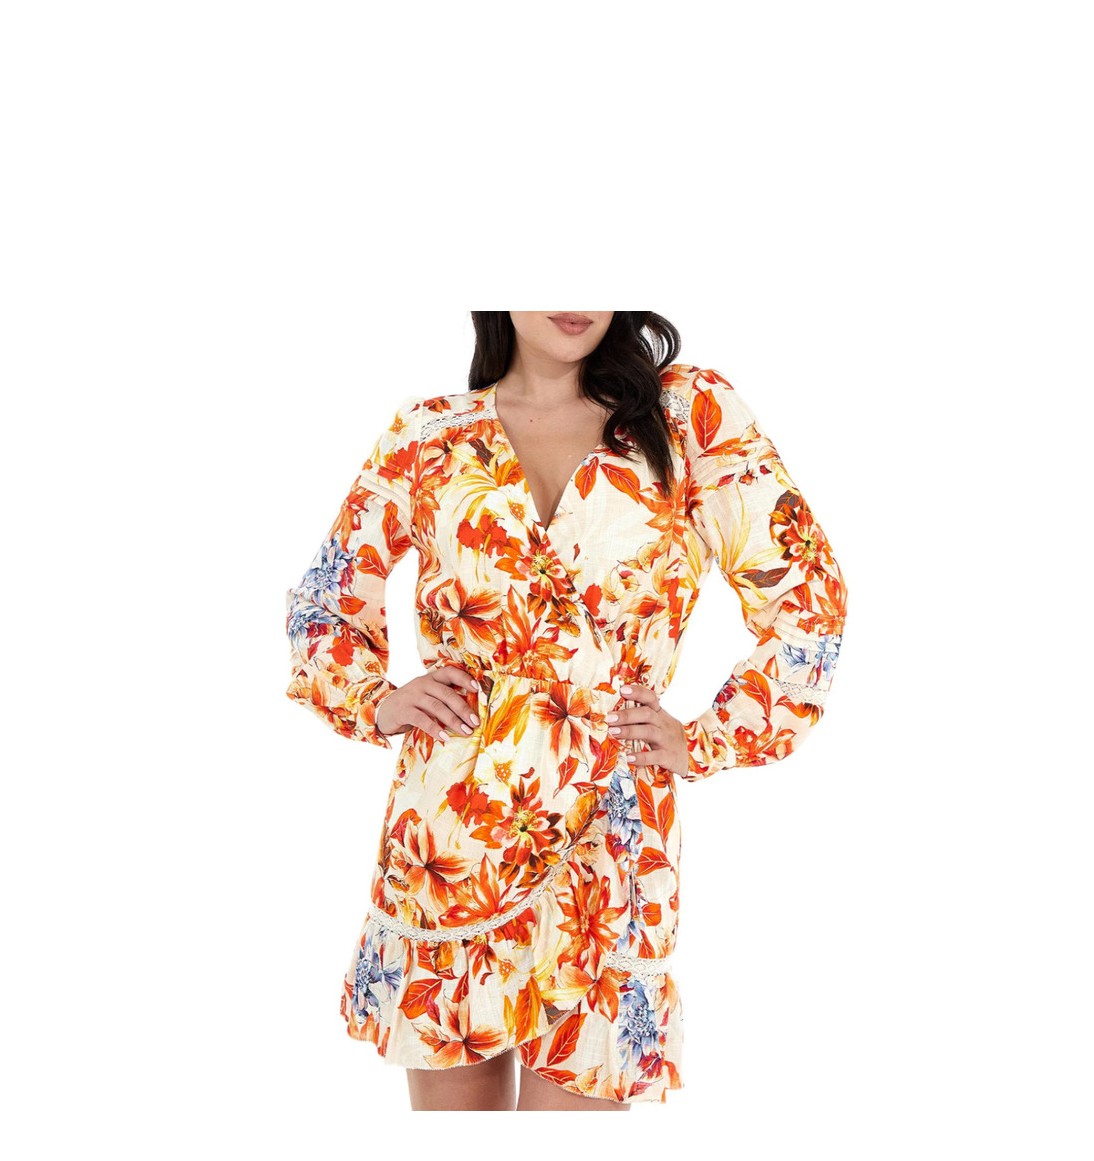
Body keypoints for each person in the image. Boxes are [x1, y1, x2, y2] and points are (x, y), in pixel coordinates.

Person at [284, 311, 847, 1111]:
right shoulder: (430, 434)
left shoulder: (687, 416)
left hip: (610, 843)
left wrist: (710, 738)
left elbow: (809, 597)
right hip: (452, 839)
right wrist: (377, 701)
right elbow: (326, 605)